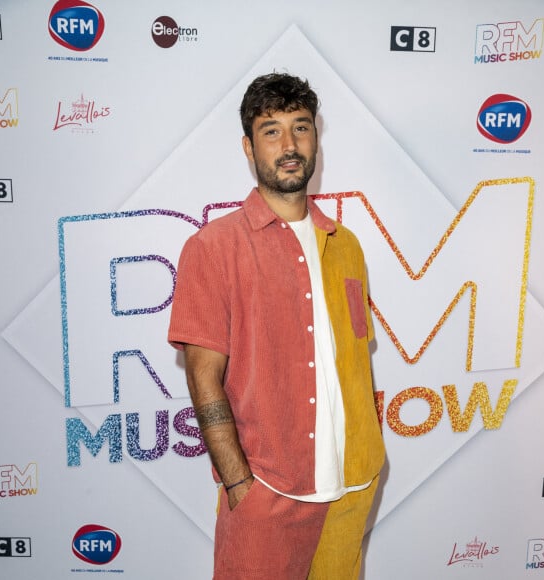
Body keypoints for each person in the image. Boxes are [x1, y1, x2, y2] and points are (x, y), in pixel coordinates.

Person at [168, 72, 385, 579]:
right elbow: (203, 377)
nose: (289, 145)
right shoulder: (212, 248)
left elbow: (353, 362)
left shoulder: (345, 245)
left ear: (315, 139)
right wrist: (239, 482)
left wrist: (368, 465)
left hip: (351, 489)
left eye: (301, 128)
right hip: (269, 495)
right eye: (272, 131)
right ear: (248, 146)